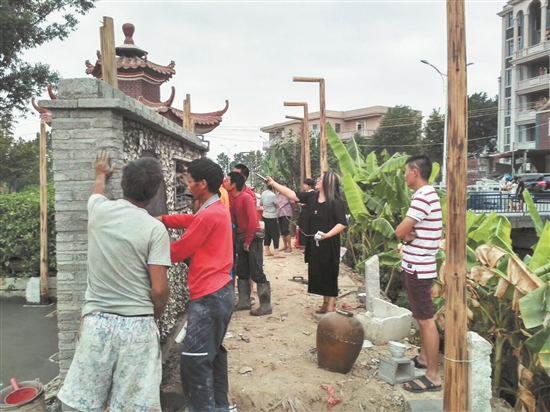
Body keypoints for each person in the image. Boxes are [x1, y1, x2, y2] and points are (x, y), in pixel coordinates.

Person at [58, 151, 171, 411]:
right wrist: (154, 314)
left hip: (97, 323)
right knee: (133, 405)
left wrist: (100, 174)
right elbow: (159, 289)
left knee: (85, 403)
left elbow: (97, 192)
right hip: (137, 328)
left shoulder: (99, 211)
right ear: (155, 193)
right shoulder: (155, 229)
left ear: (121, 184)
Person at [158, 157, 235, 412]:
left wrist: (145, 246)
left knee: (194, 361)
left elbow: (179, 251)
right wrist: (163, 219)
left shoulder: (209, 214)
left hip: (209, 296)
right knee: (213, 355)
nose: (187, 185)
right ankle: (220, 407)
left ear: (202, 184)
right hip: (220, 292)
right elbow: (190, 221)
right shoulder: (216, 209)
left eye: (190, 181)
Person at [266, 172, 347, 313]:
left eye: (321, 179)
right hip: (314, 243)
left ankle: (331, 306)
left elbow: (342, 223)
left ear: (328, 183)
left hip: (329, 245)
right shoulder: (312, 197)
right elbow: (291, 194)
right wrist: (273, 183)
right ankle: (325, 303)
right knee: (319, 273)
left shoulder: (335, 202)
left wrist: (327, 235)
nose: (318, 180)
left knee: (330, 274)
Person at [395, 155, 442, 393]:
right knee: (422, 317)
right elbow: (408, 233)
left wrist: (405, 234)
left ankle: (433, 376)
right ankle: (424, 359)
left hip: (419, 267)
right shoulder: (427, 195)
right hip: (420, 265)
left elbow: (400, 230)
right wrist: (407, 236)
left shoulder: (423, 197)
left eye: (406, 171)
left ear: (415, 172)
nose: (404, 176)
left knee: (425, 320)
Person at [224, 171, 272, 316]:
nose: (225, 182)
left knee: (257, 272)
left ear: (234, 184)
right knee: (242, 271)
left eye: (227, 180)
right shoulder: (235, 199)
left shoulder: (245, 198)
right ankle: (244, 302)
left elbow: (253, 221)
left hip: (252, 239)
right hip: (242, 238)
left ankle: (266, 306)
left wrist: (248, 241)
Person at [260, 184, 283, 258]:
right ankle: (276, 251)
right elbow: (277, 206)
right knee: (275, 234)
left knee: (267, 232)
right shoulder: (273, 195)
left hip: (265, 215)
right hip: (272, 216)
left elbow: (261, 203)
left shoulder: (263, 193)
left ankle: (267, 250)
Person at [296, 178, 315, 249]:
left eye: (305, 185)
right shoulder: (306, 193)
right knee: (303, 229)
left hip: (308, 215)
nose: (304, 186)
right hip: (303, 214)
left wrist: (304, 205)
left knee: (307, 230)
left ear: (310, 186)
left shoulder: (312, 194)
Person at [277, 183, 296, 253]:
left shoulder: (288, 194)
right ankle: (285, 245)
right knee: (282, 230)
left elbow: (293, 203)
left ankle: (289, 247)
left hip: (286, 213)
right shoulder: (277, 195)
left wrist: (292, 211)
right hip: (279, 213)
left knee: (286, 229)